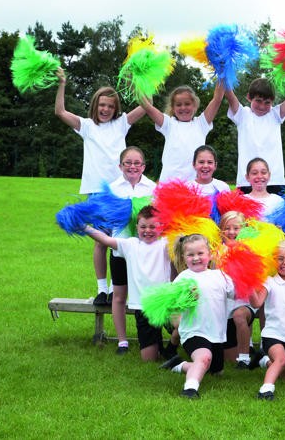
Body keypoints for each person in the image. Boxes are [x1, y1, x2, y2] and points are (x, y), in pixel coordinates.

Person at [55, 67, 146, 305]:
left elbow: (147, 106)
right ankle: (102, 290)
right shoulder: (86, 126)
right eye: (102, 105)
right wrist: (62, 83)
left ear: (116, 109)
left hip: (121, 190)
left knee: (125, 241)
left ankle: (127, 291)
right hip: (97, 192)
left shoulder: (122, 124)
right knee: (100, 241)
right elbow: (60, 111)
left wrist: (139, 81)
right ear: (95, 105)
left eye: (110, 106)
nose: (105, 110)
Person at [83, 205, 171, 361]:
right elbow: (105, 239)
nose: (147, 230)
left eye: (153, 226)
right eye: (143, 226)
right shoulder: (130, 245)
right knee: (149, 359)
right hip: (143, 308)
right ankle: (160, 348)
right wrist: (83, 226)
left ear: (161, 227)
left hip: (165, 306)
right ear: (136, 227)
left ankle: (173, 345)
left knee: (180, 325)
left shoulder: (165, 244)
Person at [165, 234, 234, 399]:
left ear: (210, 254)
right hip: (193, 331)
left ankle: (180, 365)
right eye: (190, 255)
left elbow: (238, 294)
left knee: (215, 372)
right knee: (204, 358)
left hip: (216, 335)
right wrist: (186, 301)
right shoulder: (183, 278)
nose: (196, 258)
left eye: (200, 253)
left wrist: (248, 280)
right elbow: (172, 309)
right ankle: (190, 389)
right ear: (183, 257)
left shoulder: (221, 276)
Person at [108, 146, 157, 355]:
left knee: (146, 292)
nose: (132, 166)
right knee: (119, 295)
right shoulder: (112, 188)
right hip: (120, 248)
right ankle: (122, 341)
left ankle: (150, 336)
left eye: (137, 163)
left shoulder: (152, 188)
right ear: (120, 166)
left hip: (144, 251)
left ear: (143, 166)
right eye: (128, 163)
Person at [225, 76, 285, 197]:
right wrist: (223, 71)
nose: (262, 106)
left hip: (274, 181)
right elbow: (229, 95)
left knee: (275, 215)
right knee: (246, 216)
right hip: (246, 182)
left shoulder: (276, 114)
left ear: (272, 101)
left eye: (267, 103)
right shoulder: (242, 114)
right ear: (249, 97)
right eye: (258, 101)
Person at [249, 240, 285, 401]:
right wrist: (249, 287)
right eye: (280, 258)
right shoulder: (269, 282)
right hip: (272, 334)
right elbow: (256, 303)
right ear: (274, 261)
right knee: (281, 360)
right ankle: (266, 390)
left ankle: (263, 360)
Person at [140, 83, 225, 182]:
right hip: (169, 184)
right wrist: (133, 83)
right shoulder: (168, 124)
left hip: (194, 185)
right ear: (173, 107)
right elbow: (147, 106)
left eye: (187, 104)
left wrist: (222, 72)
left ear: (194, 105)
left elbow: (217, 99)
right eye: (178, 105)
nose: (183, 108)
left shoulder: (202, 123)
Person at [219, 211, 257, 368]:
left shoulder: (250, 249)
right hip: (224, 305)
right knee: (227, 358)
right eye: (227, 228)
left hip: (243, 302)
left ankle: (244, 358)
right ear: (221, 230)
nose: (232, 232)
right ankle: (257, 356)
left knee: (239, 316)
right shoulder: (216, 251)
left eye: (236, 228)